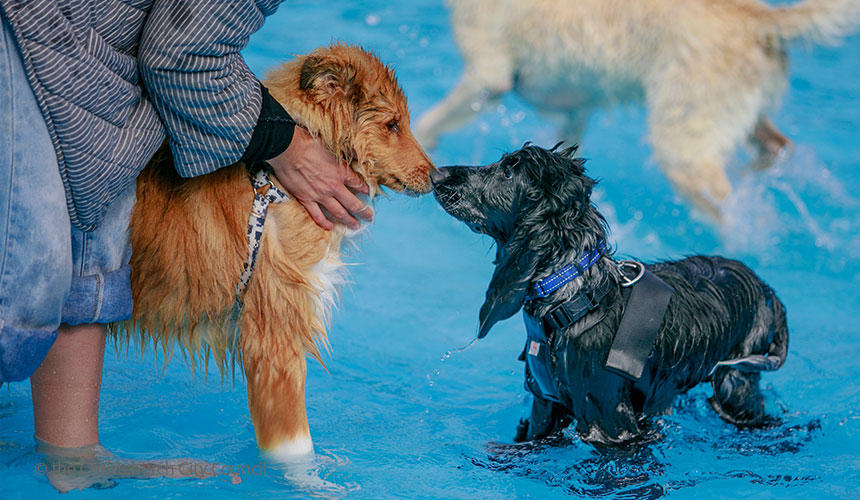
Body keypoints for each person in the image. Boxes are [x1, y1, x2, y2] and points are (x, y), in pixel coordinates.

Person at [0, 0, 370, 487]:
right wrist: (287, 144)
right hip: (28, 25)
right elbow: (180, 55)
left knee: (93, 236)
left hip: (94, 47)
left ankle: (72, 459)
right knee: (24, 277)